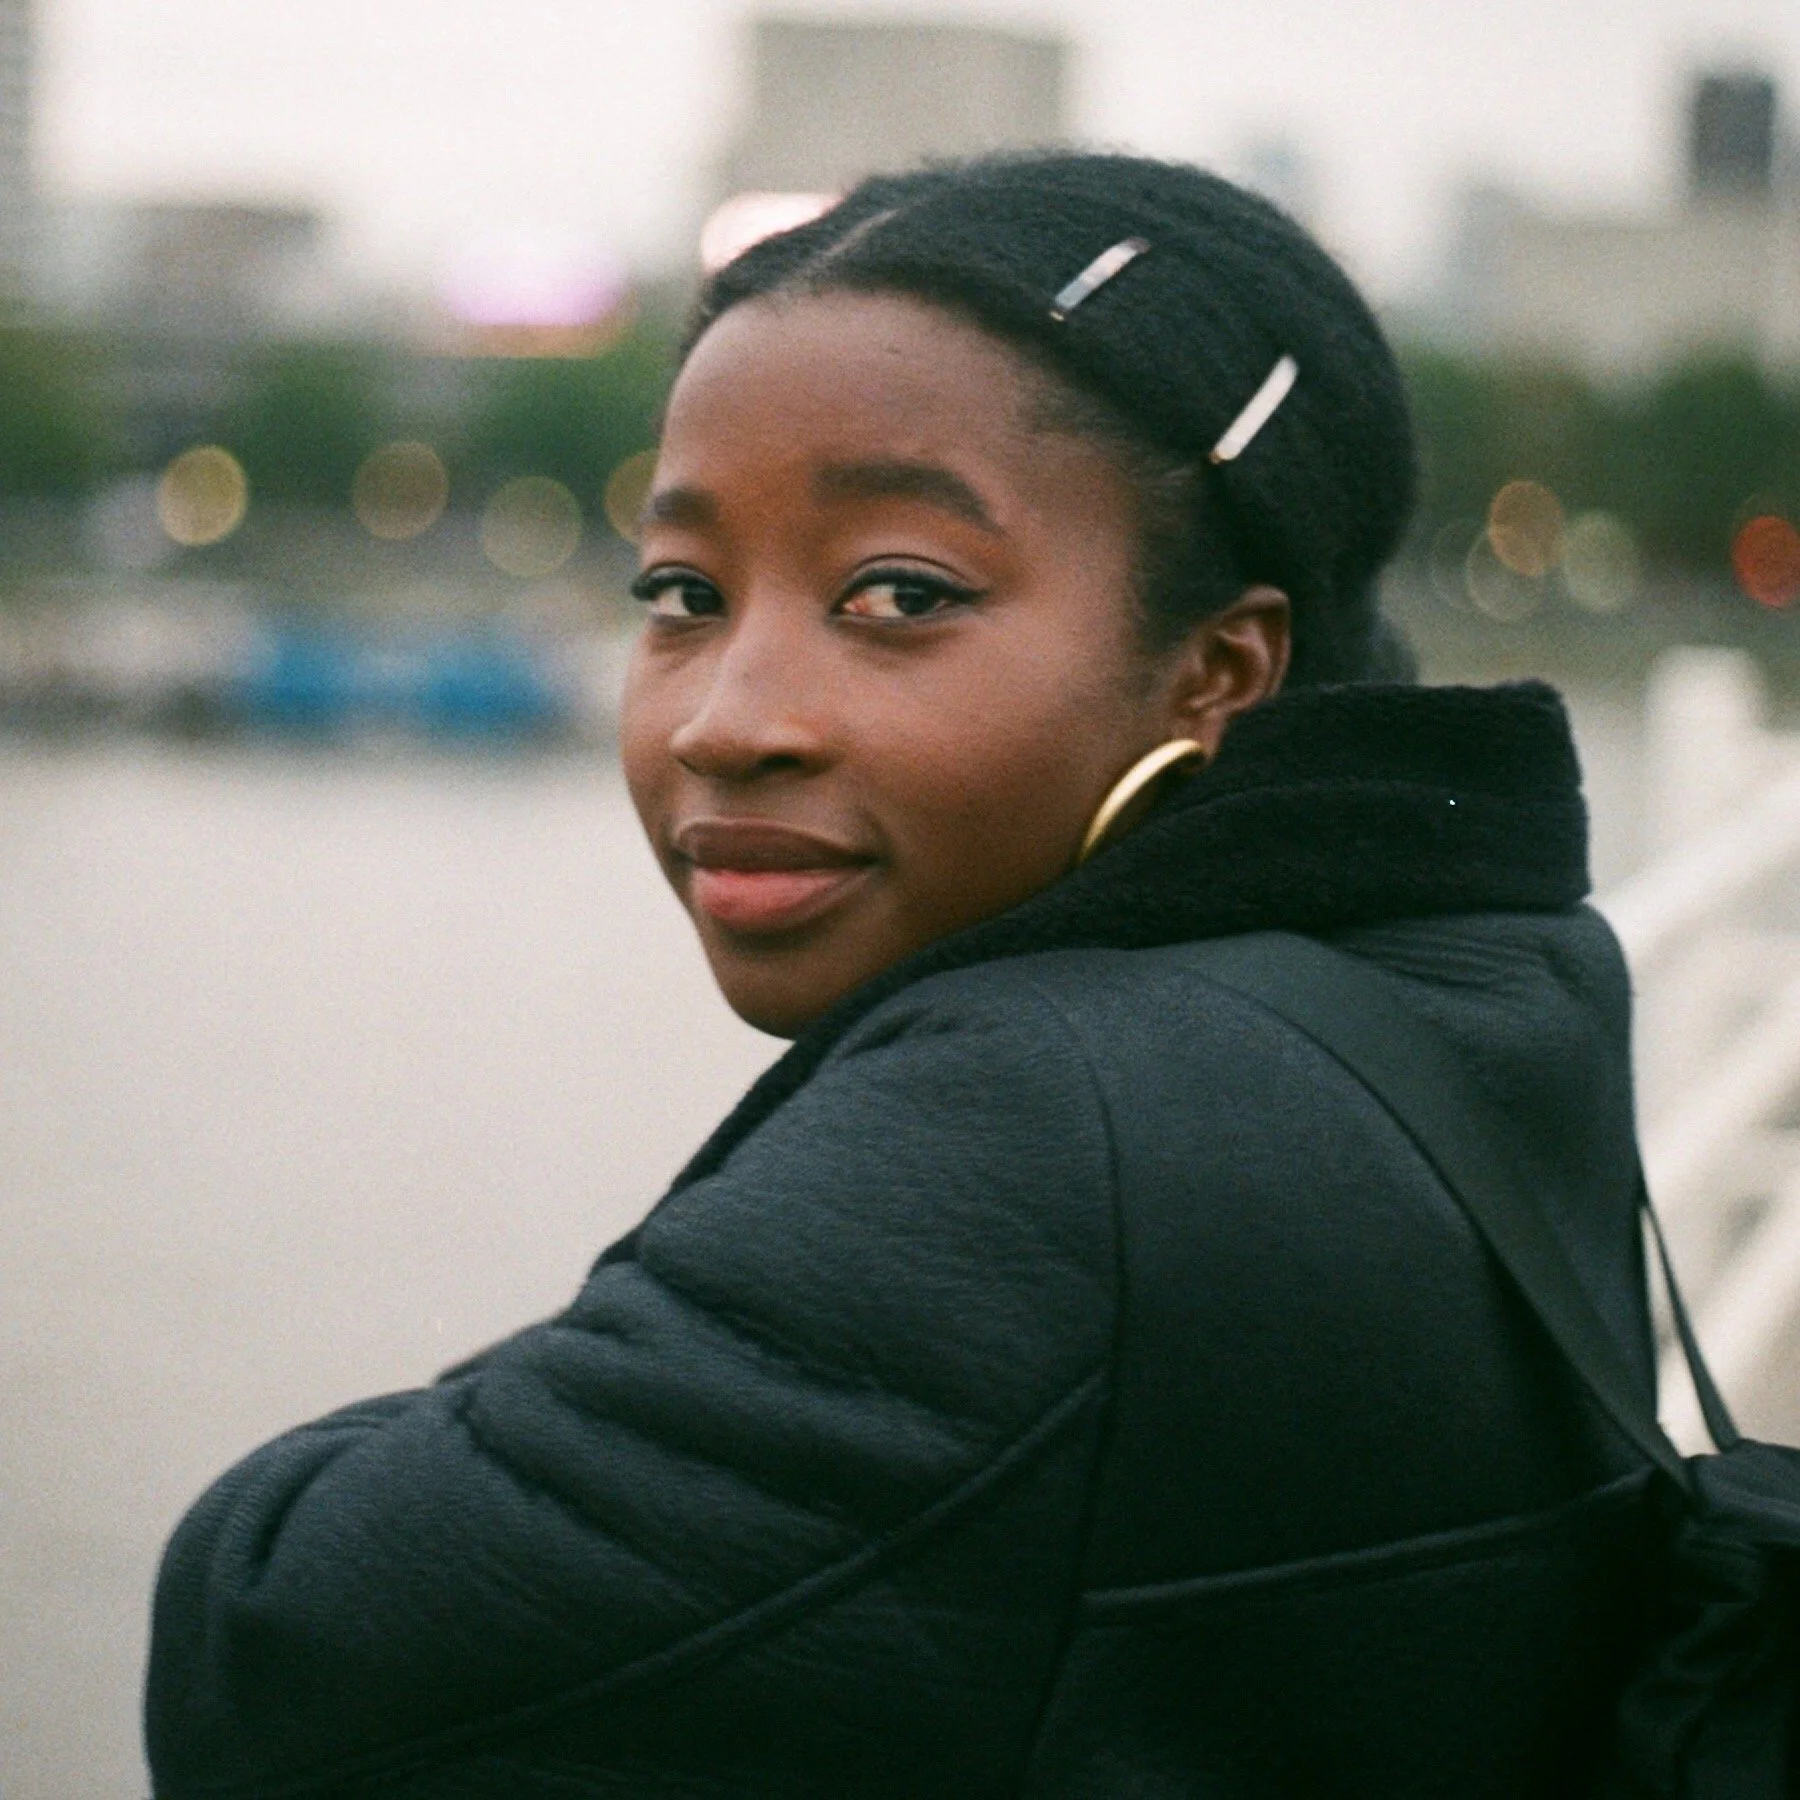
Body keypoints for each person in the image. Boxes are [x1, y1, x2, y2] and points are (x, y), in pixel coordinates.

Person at [145, 153, 1658, 1798]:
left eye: (898, 595)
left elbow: (271, 1651)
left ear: (1218, 671)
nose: (728, 718)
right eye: (684, 594)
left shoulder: (1049, 1124)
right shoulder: (1474, 972)